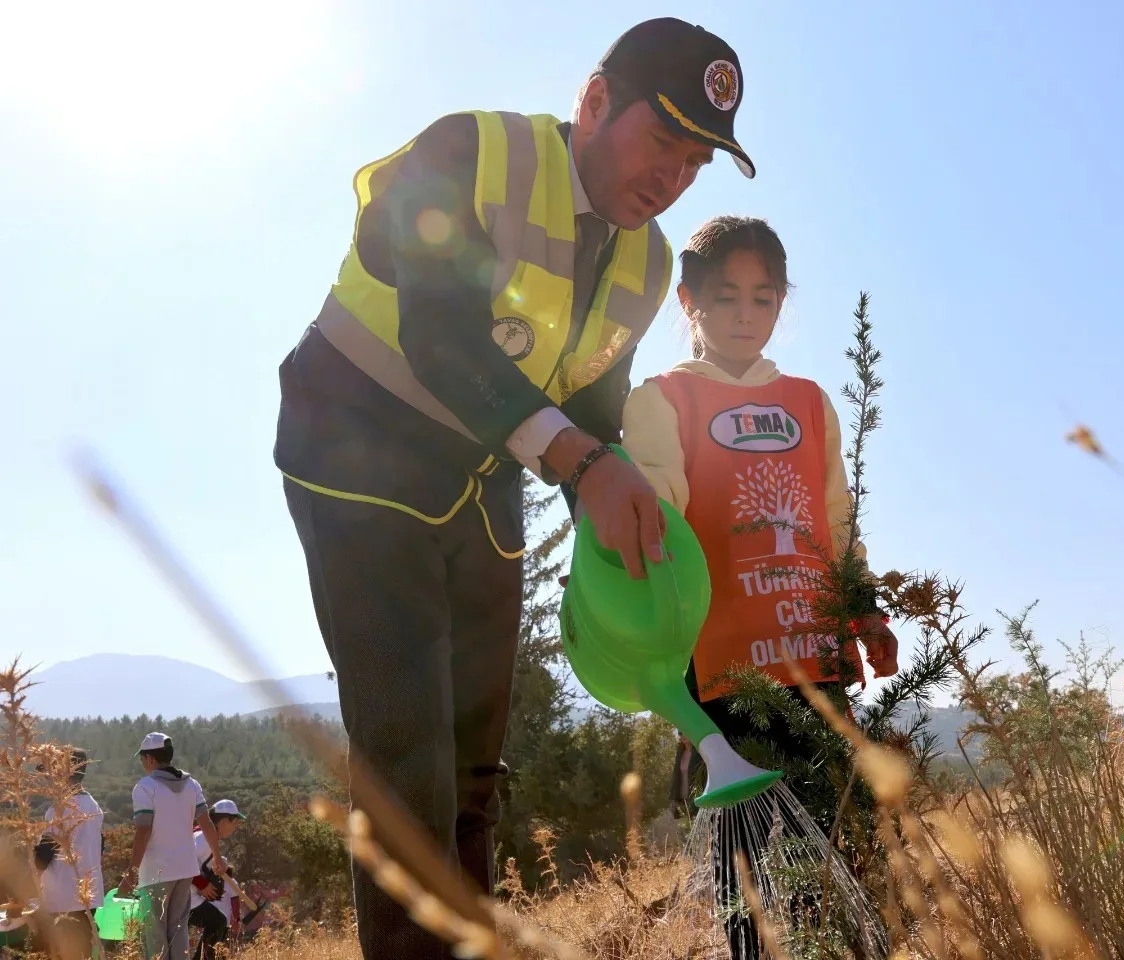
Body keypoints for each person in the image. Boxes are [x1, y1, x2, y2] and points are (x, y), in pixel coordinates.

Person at [272, 17, 757, 959]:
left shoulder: (650, 262)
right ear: (594, 101)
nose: (674, 175)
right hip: (354, 456)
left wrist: (637, 565)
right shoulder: (469, 150)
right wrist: (582, 464)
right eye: (663, 139)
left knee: (473, 773)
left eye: (697, 160)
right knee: (409, 758)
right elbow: (442, 336)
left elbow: (593, 409)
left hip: (484, 478)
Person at [621, 216, 898, 956]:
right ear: (689, 302)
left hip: (819, 663)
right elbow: (658, 532)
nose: (744, 316)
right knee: (746, 883)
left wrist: (864, 608)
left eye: (763, 299)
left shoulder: (810, 402)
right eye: (724, 298)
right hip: (724, 676)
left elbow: (836, 517)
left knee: (843, 856)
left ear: (782, 302)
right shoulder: (661, 403)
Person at [118, 733, 223, 960]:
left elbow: (143, 831)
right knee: (178, 930)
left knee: (155, 933)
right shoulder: (192, 785)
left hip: (156, 872)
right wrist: (218, 858)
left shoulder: (145, 787)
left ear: (150, 759)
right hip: (184, 869)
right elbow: (206, 823)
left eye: (142, 758)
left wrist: (131, 873)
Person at [36, 749, 103, 959]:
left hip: (62, 897)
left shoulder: (59, 810)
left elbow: (43, 856)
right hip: (87, 895)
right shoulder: (94, 806)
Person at [187, 800, 246, 960]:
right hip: (184, 898)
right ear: (225, 820)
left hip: (188, 897)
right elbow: (182, 861)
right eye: (235, 821)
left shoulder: (206, 837)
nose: (236, 826)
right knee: (217, 922)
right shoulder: (204, 838)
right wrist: (202, 884)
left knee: (216, 922)